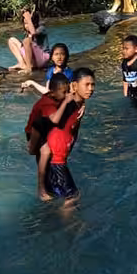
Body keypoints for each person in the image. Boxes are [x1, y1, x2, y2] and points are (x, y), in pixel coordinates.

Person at [38, 68, 95, 202]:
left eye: (93, 85)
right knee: (72, 197)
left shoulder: (79, 103)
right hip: (55, 161)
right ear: (74, 86)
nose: (91, 88)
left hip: (58, 159)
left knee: (56, 196)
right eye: (86, 85)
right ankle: (73, 223)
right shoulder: (65, 103)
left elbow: (73, 129)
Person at [26, 72, 70, 194]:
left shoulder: (56, 96)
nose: (67, 95)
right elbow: (55, 120)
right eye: (64, 93)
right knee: (46, 151)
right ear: (52, 93)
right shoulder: (47, 103)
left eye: (68, 91)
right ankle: (41, 188)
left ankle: (49, 184)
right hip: (35, 132)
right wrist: (66, 102)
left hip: (44, 129)